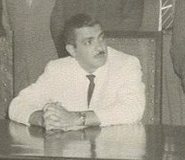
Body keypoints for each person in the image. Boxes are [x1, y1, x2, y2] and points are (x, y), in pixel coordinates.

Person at [9, 13, 144, 129]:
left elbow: (132, 109)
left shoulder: (126, 64)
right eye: (89, 42)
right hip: (72, 147)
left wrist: (77, 118)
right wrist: (43, 119)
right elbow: (17, 105)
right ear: (72, 50)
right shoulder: (57, 70)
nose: (100, 47)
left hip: (113, 147)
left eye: (101, 38)